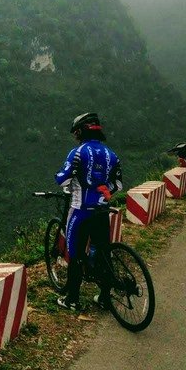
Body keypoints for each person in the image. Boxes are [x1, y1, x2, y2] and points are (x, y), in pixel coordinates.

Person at [54, 112, 122, 311]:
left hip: (80, 211)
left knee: (75, 253)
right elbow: (117, 184)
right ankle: (104, 298)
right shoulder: (112, 154)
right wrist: (104, 191)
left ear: (80, 132)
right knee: (103, 252)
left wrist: (60, 176)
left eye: (75, 133)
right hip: (102, 211)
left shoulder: (77, 153)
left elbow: (63, 179)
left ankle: (72, 299)